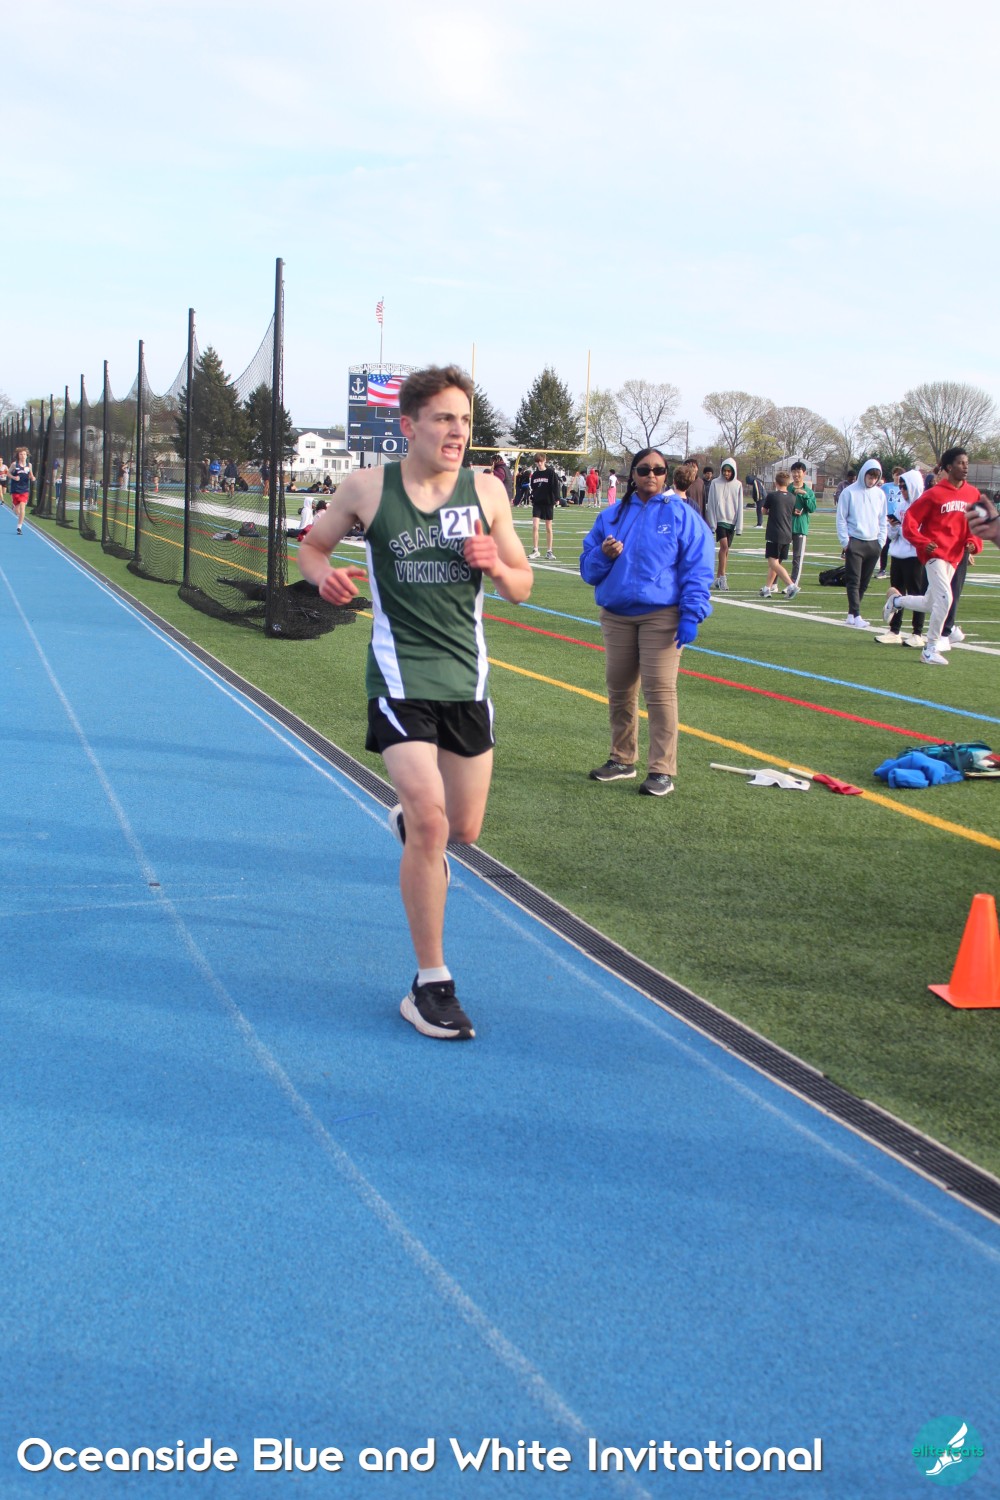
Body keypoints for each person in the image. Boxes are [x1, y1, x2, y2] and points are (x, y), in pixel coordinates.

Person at [297, 365, 532, 1040]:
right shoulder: (367, 488)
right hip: (399, 680)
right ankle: (430, 984)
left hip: (467, 683)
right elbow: (313, 549)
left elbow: (522, 585)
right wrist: (324, 578)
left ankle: (416, 825)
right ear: (409, 426)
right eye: (443, 419)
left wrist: (496, 564)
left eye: (465, 420)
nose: (457, 431)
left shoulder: (487, 491)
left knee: (463, 830)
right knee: (431, 828)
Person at [580, 447, 713, 798]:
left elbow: (698, 567)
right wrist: (603, 556)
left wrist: (691, 613)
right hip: (617, 614)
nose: (651, 475)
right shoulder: (610, 516)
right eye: (643, 469)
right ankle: (622, 759)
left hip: (662, 615)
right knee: (620, 689)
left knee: (660, 691)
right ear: (632, 475)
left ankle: (661, 769)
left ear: (666, 474)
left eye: (658, 469)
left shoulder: (682, 515)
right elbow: (588, 570)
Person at [884, 446, 983, 666]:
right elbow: (910, 522)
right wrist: (922, 542)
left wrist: (973, 542)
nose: (965, 467)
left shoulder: (972, 494)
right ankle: (929, 649)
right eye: (960, 463)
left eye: (967, 463)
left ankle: (896, 600)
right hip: (935, 554)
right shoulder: (934, 494)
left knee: (931, 602)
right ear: (949, 467)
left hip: (954, 557)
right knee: (945, 598)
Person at [875, 469, 926, 647]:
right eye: (900, 487)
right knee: (896, 593)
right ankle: (894, 630)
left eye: (905, 487)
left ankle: (917, 633)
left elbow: (921, 532)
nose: (902, 490)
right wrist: (894, 526)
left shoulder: (923, 505)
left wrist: (904, 527)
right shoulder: (901, 505)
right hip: (898, 554)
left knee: (916, 594)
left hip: (915, 556)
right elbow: (893, 534)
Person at [836, 459, 887, 628]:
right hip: (855, 541)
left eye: (875, 477)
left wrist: (880, 542)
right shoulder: (849, 492)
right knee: (854, 580)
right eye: (870, 476)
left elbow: (883, 520)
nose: (872, 480)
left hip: (873, 543)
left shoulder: (880, 494)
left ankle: (852, 613)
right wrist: (846, 542)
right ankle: (857, 614)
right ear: (864, 474)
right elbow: (841, 518)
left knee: (864, 582)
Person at [759, 471, 799, 597]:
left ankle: (791, 585)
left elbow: (763, 511)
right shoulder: (792, 497)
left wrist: (770, 511)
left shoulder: (772, 496)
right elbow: (790, 511)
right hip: (787, 534)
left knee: (773, 563)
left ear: (776, 483)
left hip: (775, 533)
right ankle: (767, 588)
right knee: (775, 563)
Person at [705, 458, 743, 590]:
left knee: (726, 550)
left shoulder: (738, 485)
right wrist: (712, 523)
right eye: (724, 471)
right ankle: (722, 578)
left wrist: (739, 526)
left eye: (729, 471)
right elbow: (711, 503)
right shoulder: (715, 483)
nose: (726, 473)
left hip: (731, 521)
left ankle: (718, 577)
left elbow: (739, 506)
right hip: (720, 520)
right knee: (724, 546)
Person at [787, 460, 817, 586]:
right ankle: (774, 584)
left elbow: (812, 508)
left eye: (798, 472)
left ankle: (793, 584)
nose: (796, 475)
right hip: (785, 526)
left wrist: (804, 496)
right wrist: (791, 510)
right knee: (778, 556)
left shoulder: (808, 491)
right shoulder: (788, 488)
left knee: (797, 558)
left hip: (800, 527)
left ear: (804, 473)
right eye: (794, 472)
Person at [528, 451, 560, 559]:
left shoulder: (551, 473)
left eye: (541, 461)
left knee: (548, 528)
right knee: (535, 526)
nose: (539, 463)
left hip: (548, 502)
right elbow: (533, 488)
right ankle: (535, 550)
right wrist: (531, 496)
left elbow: (555, 486)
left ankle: (549, 551)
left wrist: (557, 498)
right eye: (537, 462)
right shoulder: (535, 475)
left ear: (544, 461)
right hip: (537, 503)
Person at [8, 447, 33, 533]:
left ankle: (19, 527)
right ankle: (14, 506)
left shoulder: (29, 465)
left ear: (27, 455)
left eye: (24, 454)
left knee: (23, 508)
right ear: (18, 455)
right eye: (21, 454)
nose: (23, 456)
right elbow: (8, 473)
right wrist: (14, 477)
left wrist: (32, 478)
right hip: (15, 489)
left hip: (24, 489)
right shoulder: (14, 464)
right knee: (16, 511)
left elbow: (31, 475)